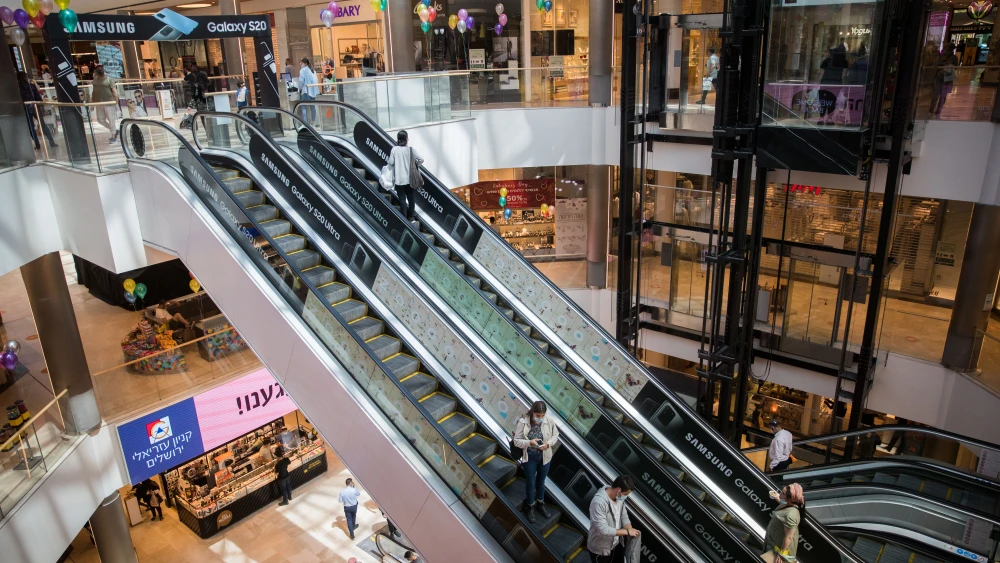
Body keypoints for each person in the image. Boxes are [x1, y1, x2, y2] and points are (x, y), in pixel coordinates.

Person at [512, 401, 559, 523]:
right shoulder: (523, 422)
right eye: (538, 415)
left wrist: (548, 444)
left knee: (541, 482)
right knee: (531, 482)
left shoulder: (549, 420)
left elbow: (555, 435)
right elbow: (516, 441)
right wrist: (529, 443)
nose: (541, 418)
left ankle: (540, 503)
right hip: (530, 457)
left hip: (545, 457)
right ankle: (530, 506)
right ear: (533, 412)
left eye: (542, 415)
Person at [587, 475, 639, 563]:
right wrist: (627, 532)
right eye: (626, 494)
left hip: (615, 545)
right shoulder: (598, 502)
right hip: (601, 550)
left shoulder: (619, 498)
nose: (625, 497)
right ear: (619, 490)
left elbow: (624, 517)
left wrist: (630, 529)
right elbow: (603, 530)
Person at [387, 130, 424, 221]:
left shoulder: (394, 150)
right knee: (411, 198)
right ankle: (411, 216)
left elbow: (391, 162)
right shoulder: (411, 150)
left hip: (399, 180)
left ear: (398, 139)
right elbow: (421, 159)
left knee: (402, 199)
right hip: (409, 179)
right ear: (406, 139)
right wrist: (416, 164)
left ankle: (404, 217)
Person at [764, 484, 805, 562]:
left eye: (782, 493)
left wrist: (781, 554)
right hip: (773, 544)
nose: (779, 494)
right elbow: (786, 507)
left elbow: (788, 537)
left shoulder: (791, 515)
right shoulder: (788, 505)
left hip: (778, 550)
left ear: (789, 498)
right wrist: (777, 499)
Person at [17, 72, 57, 149]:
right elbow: (38, 98)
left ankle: (37, 144)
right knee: (43, 125)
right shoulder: (31, 86)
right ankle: (51, 142)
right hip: (34, 107)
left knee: (31, 127)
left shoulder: (17, 88)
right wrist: (41, 106)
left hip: (25, 108)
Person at [91, 66, 120, 143]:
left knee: (111, 119)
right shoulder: (95, 80)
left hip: (109, 102)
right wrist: (92, 103)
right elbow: (94, 92)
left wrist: (116, 103)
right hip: (99, 103)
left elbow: (115, 92)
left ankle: (113, 136)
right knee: (100, 120)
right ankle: (114, 130)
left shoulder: (109, 80)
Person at [930, 44, 959, 115]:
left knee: (943, 95)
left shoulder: (954, 57)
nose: (946, 50)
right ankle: (931, 109)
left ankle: (939, 109)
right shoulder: (941, 56)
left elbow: (956, 67)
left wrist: (949, 66)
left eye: (948, 48)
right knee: (935, 94)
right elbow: (937, 65)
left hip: (947, 78)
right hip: (939, 76)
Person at [297, 57, 319, 122]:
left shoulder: (302, 70)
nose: (300, 64)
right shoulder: (313, 70)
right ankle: (313, 122)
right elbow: (316, 80)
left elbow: (301, 81)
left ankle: (305, 123)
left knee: (303, 106)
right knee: (312, 107)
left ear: (305, 63)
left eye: (301, 63)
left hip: (306, 91)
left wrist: (299, 88)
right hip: (313, 92)